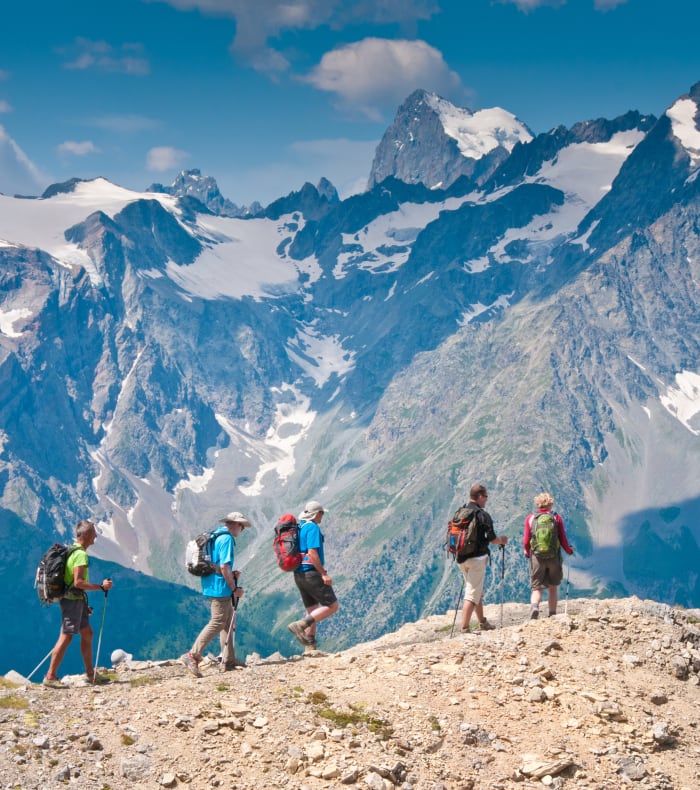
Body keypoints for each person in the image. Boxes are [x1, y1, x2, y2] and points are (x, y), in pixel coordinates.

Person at [44, 519, 114, 687]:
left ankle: (90, 674)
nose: (96, 536)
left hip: (76, 601)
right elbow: (78, 582)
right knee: (66, 637)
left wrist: (83, 604)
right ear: (87, 534)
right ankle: (50, 677)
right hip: (72, 602)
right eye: (94, 533)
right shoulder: (80, 554)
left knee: (87, 633)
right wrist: (101, 587)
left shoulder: (73, 550)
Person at [180, 511, 250, 677]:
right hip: (221, 587)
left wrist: (232, 575)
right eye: (242, 527)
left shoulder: (215, 535)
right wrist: (234, 588)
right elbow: (224, 566)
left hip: (211, 583)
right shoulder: (226, 539)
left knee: (226, 622)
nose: (241, 531)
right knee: (218, 621)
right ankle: (193, 655)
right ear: (236, 525)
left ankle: (229, 659)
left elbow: (217, 565)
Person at [287, 500, 339, 651]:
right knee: (332, 605)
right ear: (316, 514)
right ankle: (301, 624)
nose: (322, 517)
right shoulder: (312, 528)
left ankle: (309, 647)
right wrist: (323, 574)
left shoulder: (299, 527)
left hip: (299, 574)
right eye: (321, 513)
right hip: (311, 573)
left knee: (312, 608)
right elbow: (312, 553)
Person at [457, 484, 508, 632]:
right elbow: (492, 539)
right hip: (477, 560)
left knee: (476, 590)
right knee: (472, 593)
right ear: (479, 496)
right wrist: (502, 539)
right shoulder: (482, 515)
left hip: (461, 558)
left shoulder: (461, 511)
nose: (486, 499)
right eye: (485, 496)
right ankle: (465, 628)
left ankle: (482, 622)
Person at [523, 492, 574, 619]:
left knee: (537, 588)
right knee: (553, 587)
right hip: (553, 557)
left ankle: (535, 607)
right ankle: (552, 614)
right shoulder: (556, 518)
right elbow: (562, 538)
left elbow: (526, 540)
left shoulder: (530, 518)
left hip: (536, 557)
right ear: (550, 504)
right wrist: (568, 550)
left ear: (538, 504)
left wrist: (526, 550)